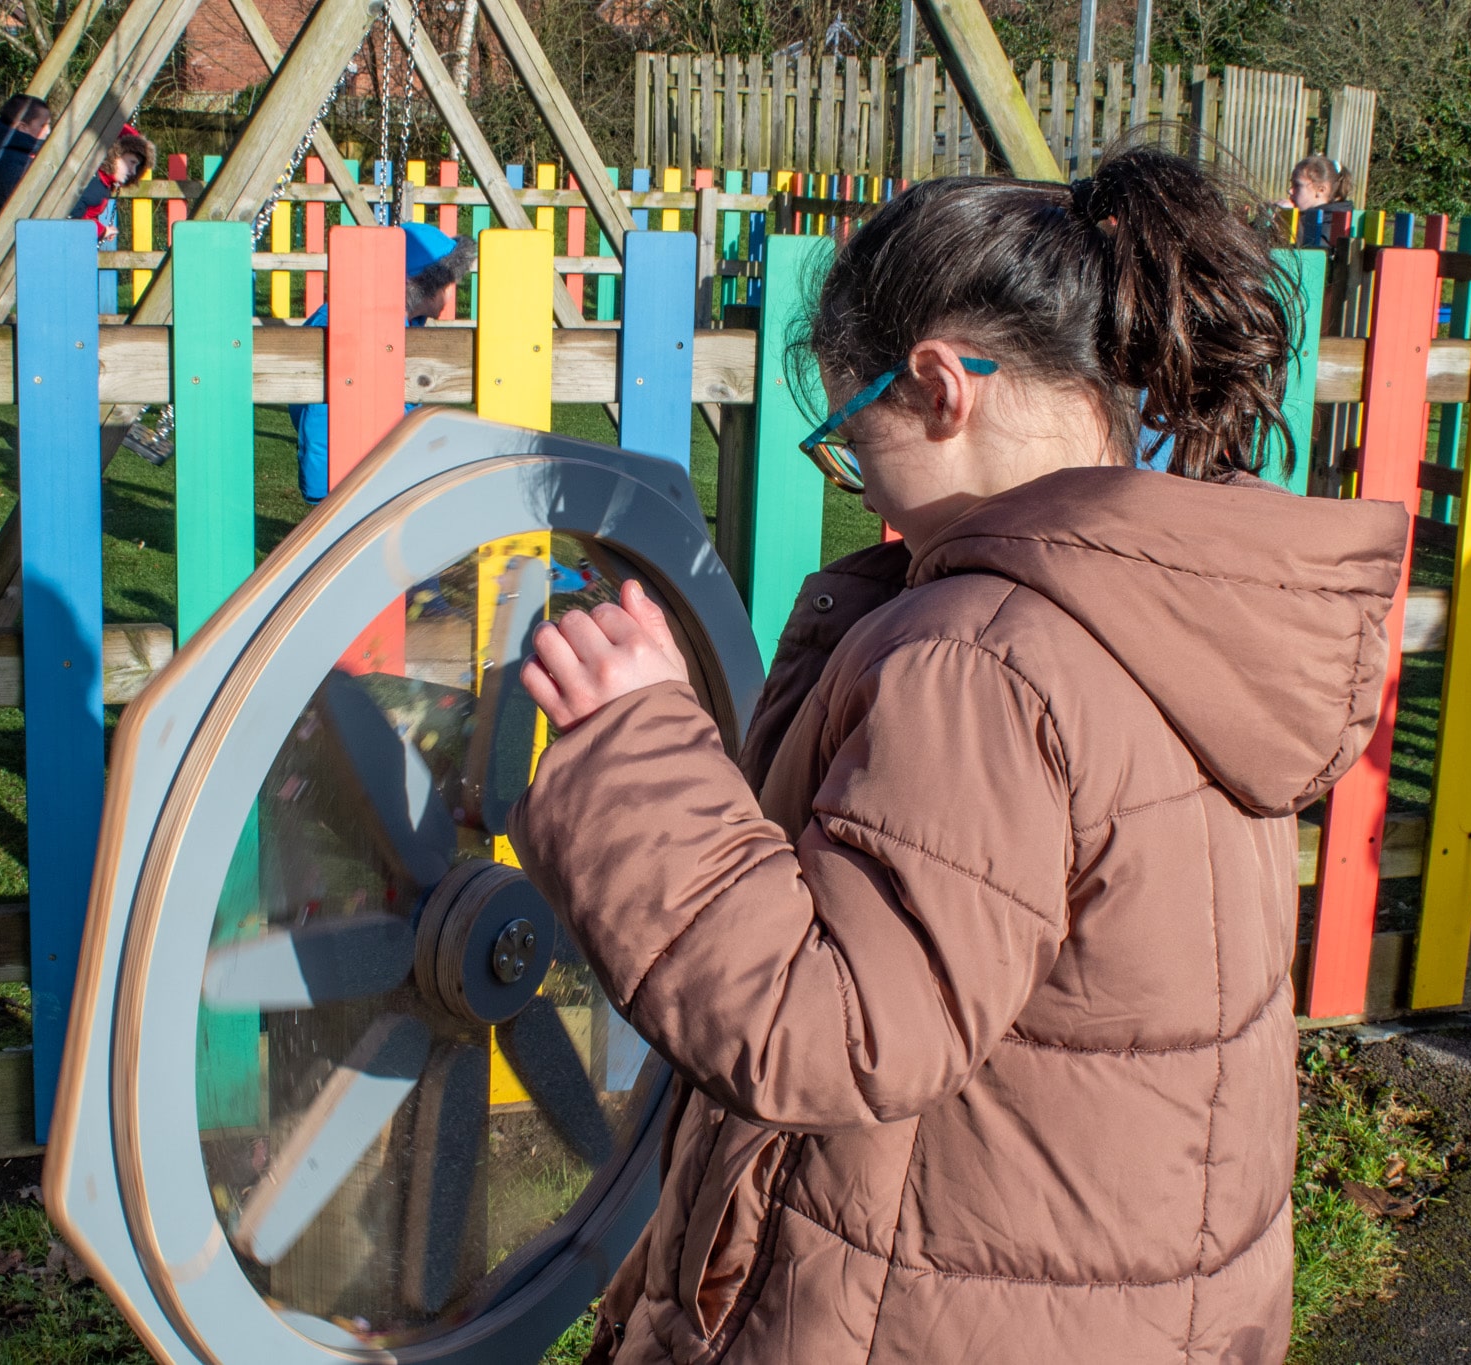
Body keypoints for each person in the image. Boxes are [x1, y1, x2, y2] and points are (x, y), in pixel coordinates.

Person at [505, 146, 1409, 1364]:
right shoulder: (1175, 612)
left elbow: (824, 1030)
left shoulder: (983, 659)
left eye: (846, 433)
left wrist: (635, 760)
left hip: (928, 1312)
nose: (854, 477)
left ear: (938, 389)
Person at [290, 221, 477, 503]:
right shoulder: (349, 325)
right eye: (451, 280)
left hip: (382, 471)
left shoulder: (405, 325)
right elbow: (319, 414)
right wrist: (324, 486)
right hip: (347, 479)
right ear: (429, 283)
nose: (456, 288)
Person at [0, 94, 51, 232]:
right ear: (23, 127)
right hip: (10, 235)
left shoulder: (14, 153)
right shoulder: (11, 159)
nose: (48, 130)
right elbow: (16, 202)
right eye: (43, 125)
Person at [71, 127, 155, 246]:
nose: (133, 172)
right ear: (115, 155)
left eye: (137, 166)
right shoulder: (94, 185)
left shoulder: (103, 183)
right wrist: (101, 231)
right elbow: (73, 220)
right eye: (132, 162)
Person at [1283, 153, 1355, 215]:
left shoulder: (1329, 223)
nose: (1290, 190)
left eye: (1297, 185)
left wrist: (1284, 218)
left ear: (1321, 190)